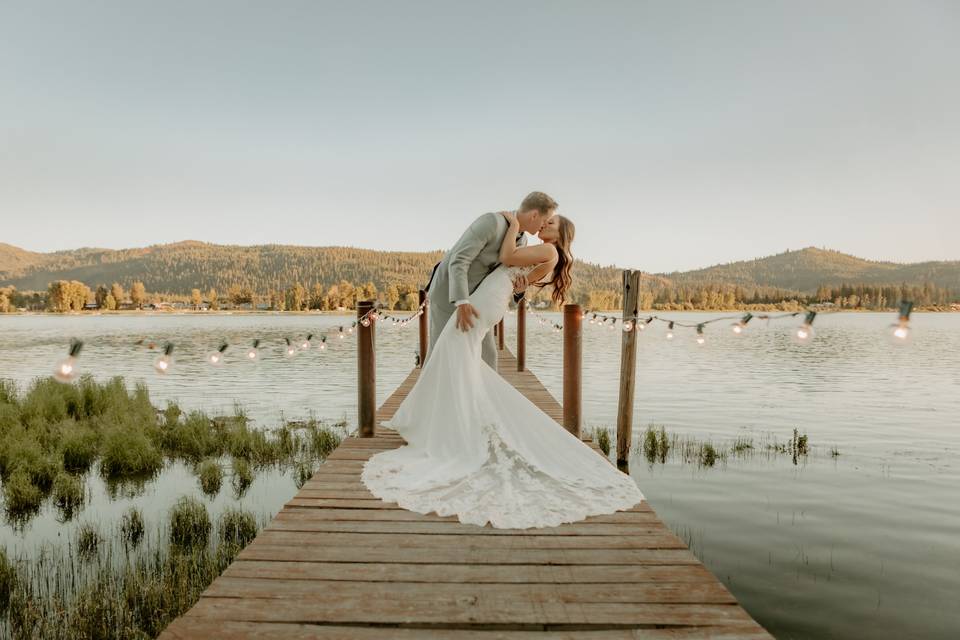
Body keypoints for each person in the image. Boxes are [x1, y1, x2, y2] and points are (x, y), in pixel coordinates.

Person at [362, 209, 643, 529]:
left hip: (491, 297)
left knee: (454, 349)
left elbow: (508, 256)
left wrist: (511, 225)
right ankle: (454, 420)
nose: (545, 225)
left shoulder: (550, 250)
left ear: (560, 234)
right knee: (456, 354)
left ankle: (453, 424)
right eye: (546, 220)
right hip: (494, 295)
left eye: (551, 224)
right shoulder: (548, 254)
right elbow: (516, 270)